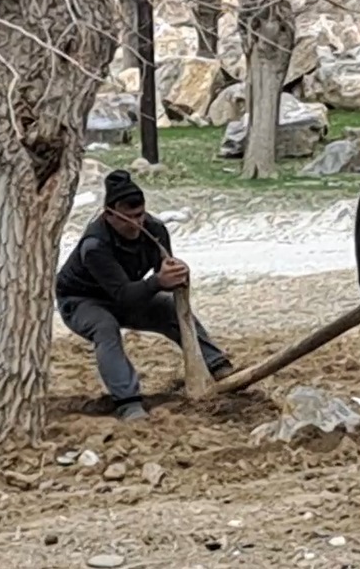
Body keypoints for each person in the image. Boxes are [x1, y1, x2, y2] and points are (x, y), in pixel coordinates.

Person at [55, 169, 234, 421]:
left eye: (140, 216)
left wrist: (175, 277)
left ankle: (217, 365)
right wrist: (158, 282)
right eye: (128, 218)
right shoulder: (95, 246)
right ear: (109, 215)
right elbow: (123, 294)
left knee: (169, 308)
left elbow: (161, 275)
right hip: (82, 301)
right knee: (105, 327)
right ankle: (127, 402)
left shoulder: (156, 230)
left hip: (129, 293)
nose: (137, 225)